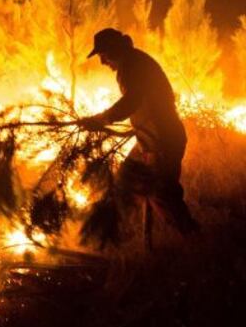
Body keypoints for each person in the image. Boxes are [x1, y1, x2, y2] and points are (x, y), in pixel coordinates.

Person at [77, 27, 199, 236]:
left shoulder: (131, 66)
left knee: (163, 194)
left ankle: (195, 240)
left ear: (113, 50)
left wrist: (101, 120)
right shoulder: (134, 61)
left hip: (161, 141)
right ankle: (117, 235)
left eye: (103, 55)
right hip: (150, 139)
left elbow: (131, 101)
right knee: (126, 181)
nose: (102, 62)